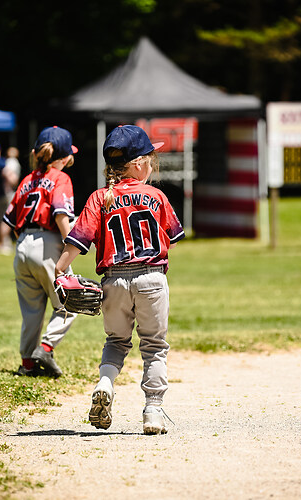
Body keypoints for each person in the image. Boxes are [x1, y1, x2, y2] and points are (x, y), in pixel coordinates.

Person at [55, 125, 185, 434]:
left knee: (116, 341)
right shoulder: (156, 195)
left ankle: (105, 383)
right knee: (154, 346)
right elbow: (174, 238)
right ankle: (153, 411)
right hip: (152, 278)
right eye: (150, 159)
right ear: (139, 164)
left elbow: (77, 241)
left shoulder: (100, 197)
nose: (152, 165)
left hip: (112, 281)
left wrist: (60, 270)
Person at [2, 126, 78, 378]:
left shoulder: (26, 180)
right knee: (69, 302)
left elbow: (11, 222)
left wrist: (26, 245)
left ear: (36, 153)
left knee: (31, 311)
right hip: (48, 244)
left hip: (22, 245)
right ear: (66, 157)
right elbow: (60, 214)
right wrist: (69, 245)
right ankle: (45, 348)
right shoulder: (60, 178)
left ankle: (27, 364)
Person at [0, 147, 22, 254]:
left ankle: (5, 242)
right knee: (6, 220)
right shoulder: (6, 163)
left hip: (3, 194)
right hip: (6, 194)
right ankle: (4, 243)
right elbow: (10, 177)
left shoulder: (5, 161)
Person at [0, 140, 7, 248]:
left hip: (0, 195)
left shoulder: (1, 163)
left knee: (1, 221)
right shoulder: (1, 163)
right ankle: (3, 243)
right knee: (2, 221)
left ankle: (3, 242)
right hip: (0, 195)